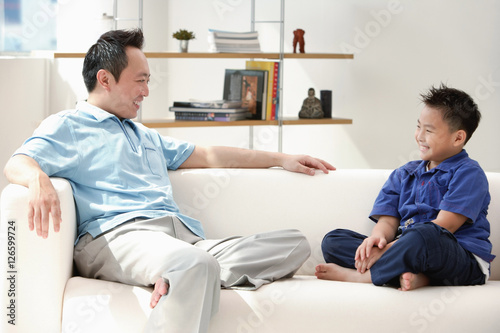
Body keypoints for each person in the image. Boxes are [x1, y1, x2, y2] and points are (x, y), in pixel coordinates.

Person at [3, 29, 335, 333]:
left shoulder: (143, 134)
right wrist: (38, 179)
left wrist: (281, 159)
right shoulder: (70, 125)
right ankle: (185, 271)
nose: (146, 91)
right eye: (141, 80)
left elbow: (208, 155)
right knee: (197, 263)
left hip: (181, 240)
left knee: (295, 245)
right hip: (117, 236)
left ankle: (180, 276)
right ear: (105, 79)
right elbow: (17, 162)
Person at [316, 84, 495, 291]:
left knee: (425, 234)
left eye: (429, 131)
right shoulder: (404, 173)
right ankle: (413, 275)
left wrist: (387, 250)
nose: (419, 136)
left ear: (458, 138)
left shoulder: (469, 173)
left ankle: (364, 276)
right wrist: (378, 239)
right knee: (333, 241)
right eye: (419, 126)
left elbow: (446, 226)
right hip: (408, 250)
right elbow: (388, 222)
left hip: (459, 257)